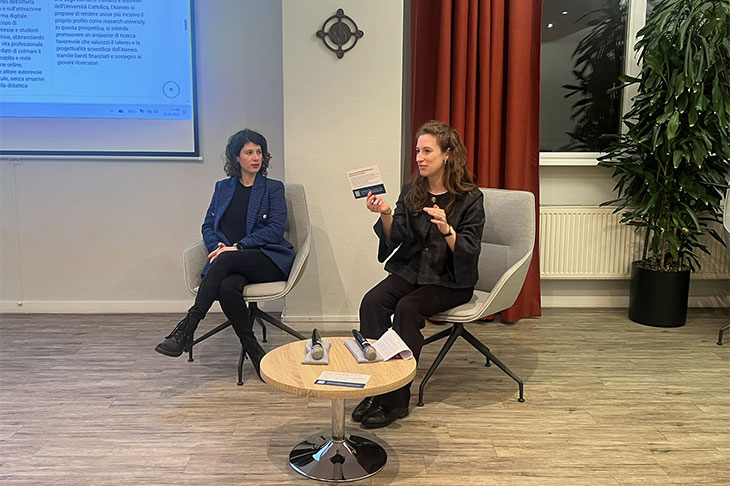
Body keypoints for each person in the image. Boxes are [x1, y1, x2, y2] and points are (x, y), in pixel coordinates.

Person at [353, 120, 485, 428]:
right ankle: (376, 385)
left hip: (450, 279)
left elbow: (470, 248)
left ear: (447, 154)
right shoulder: (412, 192)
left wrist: (447, 229)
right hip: (412, 271)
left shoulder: (470, 198)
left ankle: (396, 400)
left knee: (407, 308)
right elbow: (396, 237)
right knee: (372, 302)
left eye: (427, 151)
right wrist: (386, 214)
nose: (420, 158)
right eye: (417, 151)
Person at [154, 129, 295, 379]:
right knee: (228, 288)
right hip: (230, 262)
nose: (256, 157)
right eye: (249, 152)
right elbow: (208, 225)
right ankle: (254, 351)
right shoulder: (222, 188)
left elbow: (275, 230)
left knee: (227, 260)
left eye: (259, 152)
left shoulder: (272, 188)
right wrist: (219, 246)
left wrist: (237, 247)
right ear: (236, 157)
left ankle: (188, 327)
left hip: (267, 259)